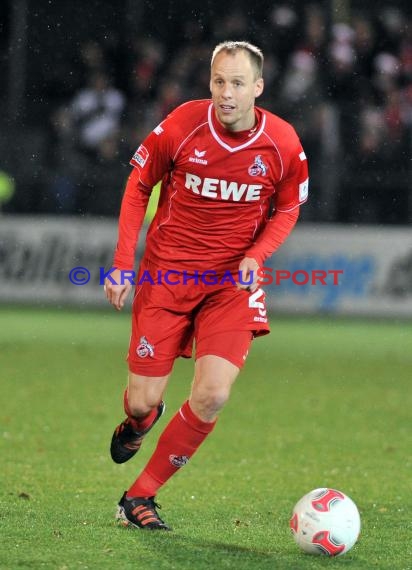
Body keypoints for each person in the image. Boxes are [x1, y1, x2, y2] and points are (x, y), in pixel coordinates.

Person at [104, 40, 309, 530]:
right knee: (141, 401)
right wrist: (121, 264)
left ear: (257, 88)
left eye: (238, 83)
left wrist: (257, 256)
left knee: (213, 394)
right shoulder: (182, 125)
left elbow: (288, 208)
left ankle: (139, 497)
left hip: (230, 285)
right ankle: (140, 422)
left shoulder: (282, 144)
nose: (226, 92)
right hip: (167, 277)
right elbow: (138, 187)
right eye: (219, 81)